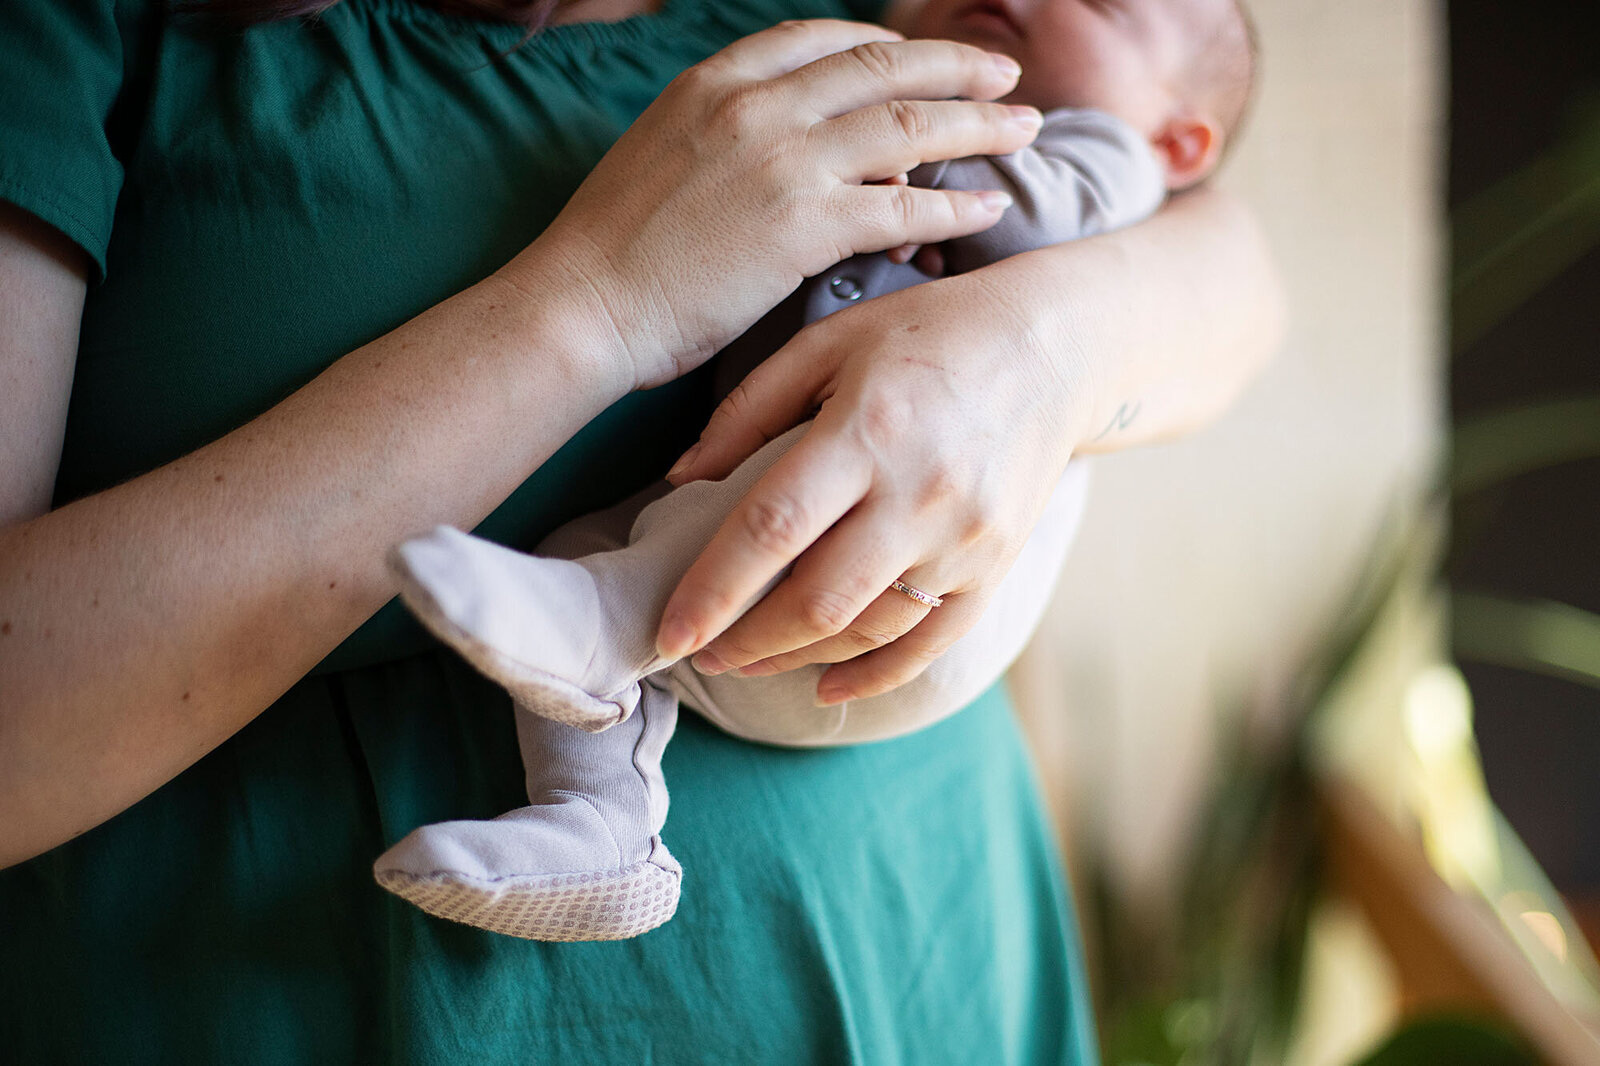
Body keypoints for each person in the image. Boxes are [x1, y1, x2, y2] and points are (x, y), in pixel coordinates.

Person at [0, 0, 1281, 1062]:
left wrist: (1036, 352)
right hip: (254, 988)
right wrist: (601, 300)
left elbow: (1229, 261)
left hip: (925, 970)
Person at [371, 0, 1256, 943]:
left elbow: (1029, 213)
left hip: (910, 575)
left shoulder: (1107, 155)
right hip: (755, 575)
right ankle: (596, 824)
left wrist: (888, 137)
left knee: (797, 483)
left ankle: (602, 623)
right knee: (583, 549)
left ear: (1181, 141)